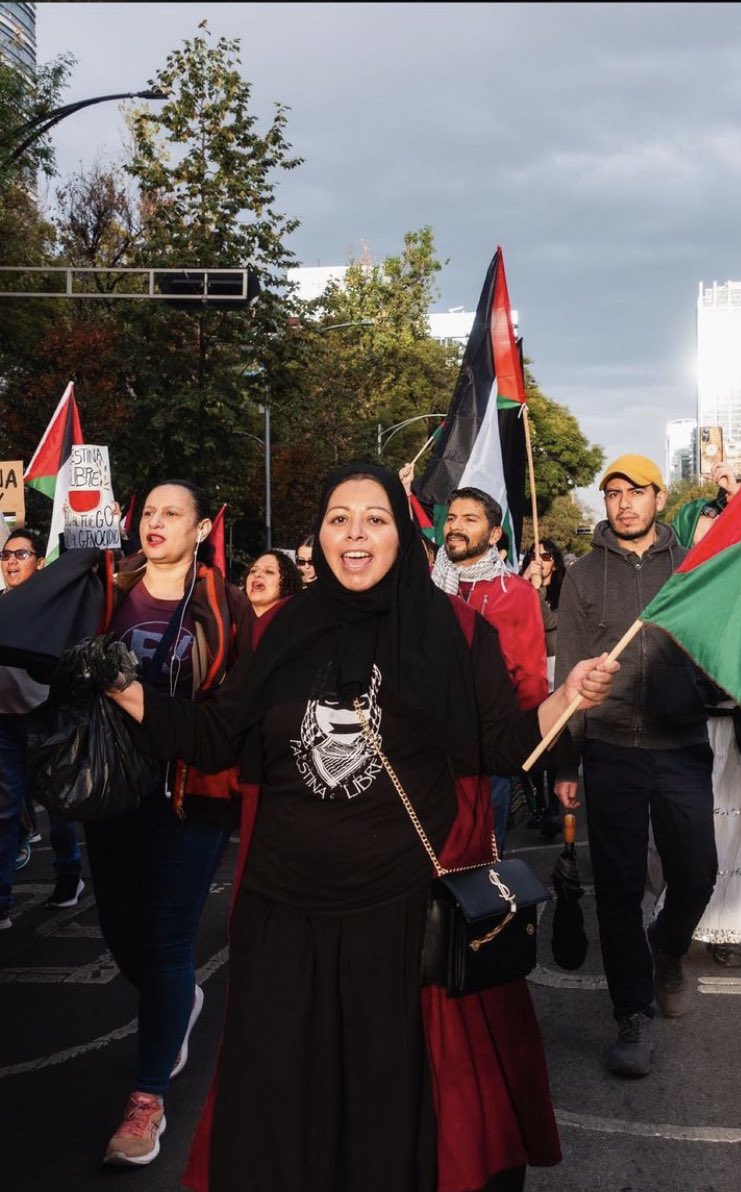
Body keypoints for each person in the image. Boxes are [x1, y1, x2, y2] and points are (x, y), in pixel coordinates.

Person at [106, 462, 618, 1192]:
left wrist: (565, 695)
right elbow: (217, 738)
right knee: (287, 1101)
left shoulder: (456, 630)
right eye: (338, 517)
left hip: (401, 916)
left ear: (403, 535)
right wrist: (125, 692)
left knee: (390, 1107)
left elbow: (501, 745)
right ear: (318, 533)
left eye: (374, 518)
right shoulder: (276, 628)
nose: (354, 533)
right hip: (284, 912)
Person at [85, 480, 250, 1167]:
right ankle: (178, 1001)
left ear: (201, 527)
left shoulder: (226, 605)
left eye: (171, 513)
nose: (155, 522)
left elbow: (232, 714)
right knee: (123, 935)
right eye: (147, 512)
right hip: (112, 792)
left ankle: (147, 1098)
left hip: (191, 798)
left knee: (165, 938)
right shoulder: (104, 593)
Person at [554, 454, 718, 1078]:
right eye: (613, 493)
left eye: (636, 492)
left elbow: (719, 638)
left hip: (681, 746)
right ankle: (632, 1013)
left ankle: (669, 948)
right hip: (612, 751)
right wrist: (566, 762)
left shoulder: (690, 569)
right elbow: (568, 671)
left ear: (658, 497)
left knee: (697, 873)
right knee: (618, 890)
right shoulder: (581, 577)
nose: (623, 503)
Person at [667, 462, 741, 968]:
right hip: (690, 730)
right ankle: (678, 923)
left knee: (738, 834)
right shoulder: (675, 594)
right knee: (691, 833)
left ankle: (725, 927)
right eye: (707, 523)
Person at [431, 487, 548, 851]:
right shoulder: (422, 587)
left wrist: (526, 745)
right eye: (451, 518)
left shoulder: (515, 593)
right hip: (428, 746)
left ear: (495, 534)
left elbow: (529, 676)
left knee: (482, 857)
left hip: (487, 751)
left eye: (469, 519)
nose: (455, 527)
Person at [0, 528, 85, 929]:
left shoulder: (55, 610)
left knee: (58, 806)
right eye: (6, 555)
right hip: (4, 723)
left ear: (39, 562)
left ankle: (69, 878)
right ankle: (2, 899)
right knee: (5, 811)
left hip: (44, 716)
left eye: (21, 554)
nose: (12, 562)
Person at [520, 538, 567, 837]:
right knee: (532, 742)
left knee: (553, 742)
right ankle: (537, 804)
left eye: (546, 555)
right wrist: (524, 583)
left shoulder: (566, 590)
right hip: (529, 671)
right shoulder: (520, 588)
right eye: (534, 556)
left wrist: (535, 589)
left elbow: (549, 621)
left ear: (556, 561)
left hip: (556, 673)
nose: (541, 560)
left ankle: (553, 807)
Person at [244, 549, 302, 619]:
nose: (257, 574)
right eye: (253, 571)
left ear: (286, 581)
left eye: (269, 571)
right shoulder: (232, 621)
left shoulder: (297, 623)